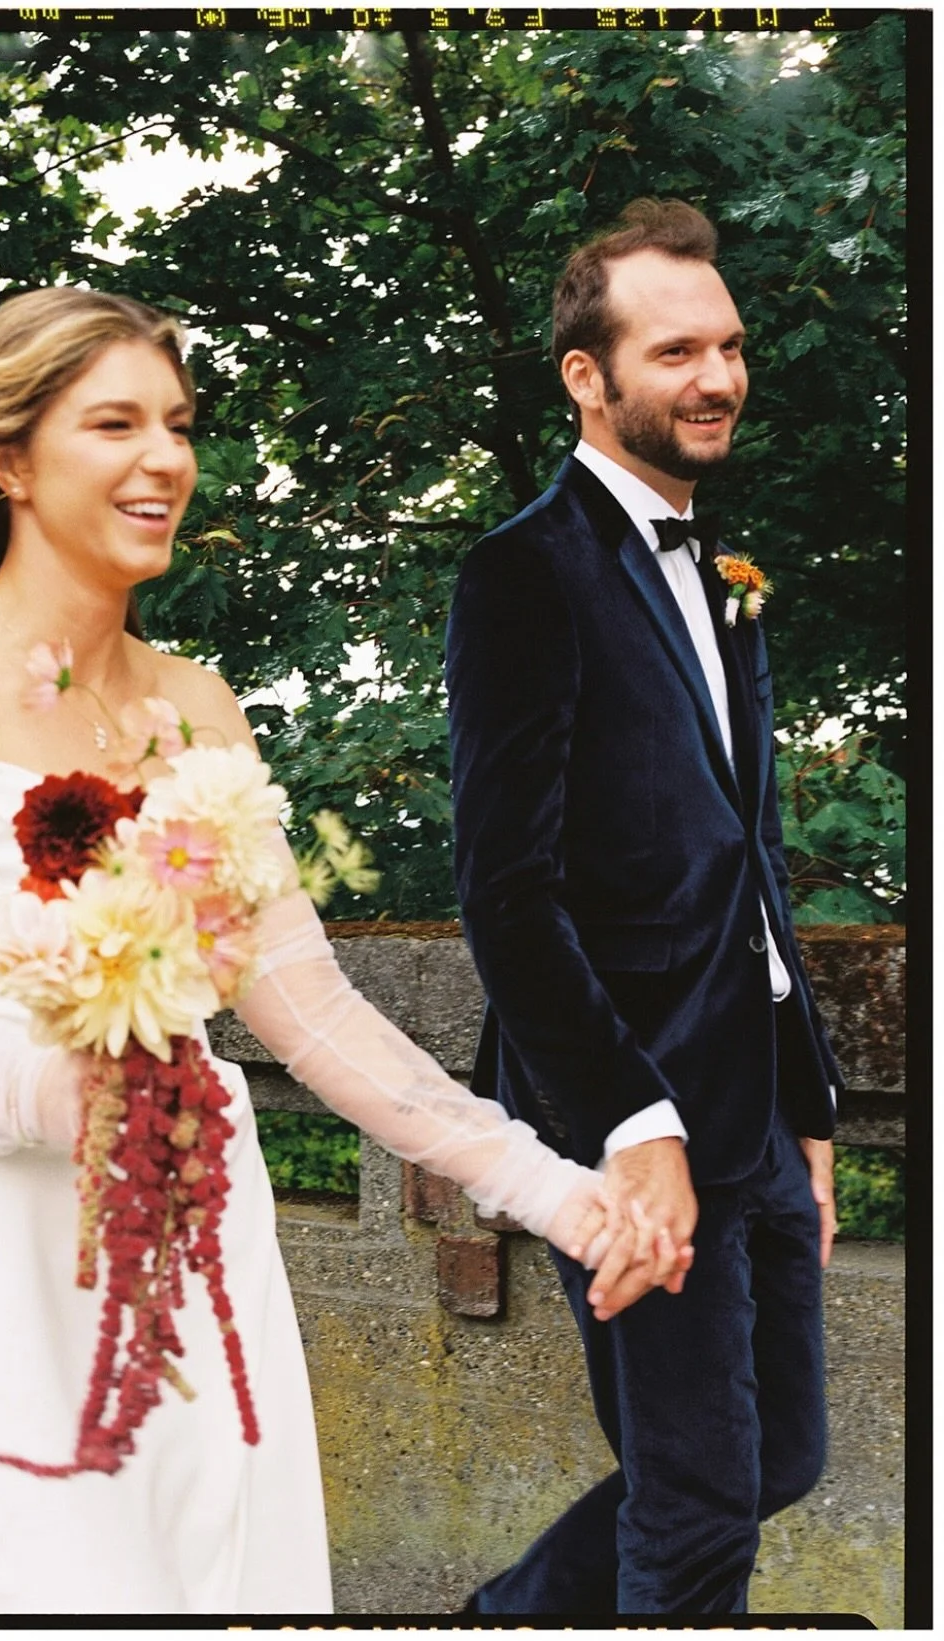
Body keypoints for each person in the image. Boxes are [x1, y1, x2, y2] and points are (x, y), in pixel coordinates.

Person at [0, 286, 679, 1623]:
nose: (165, 458)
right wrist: (41, 1098)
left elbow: (313, 1017)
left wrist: (560, 1195)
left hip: (189, 1274)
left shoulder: (195, 707)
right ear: (9, 461)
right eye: (113, 423)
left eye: (177, 425)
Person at [445, 199, 842, 1616]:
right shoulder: (519, 575)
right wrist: (631, 1125)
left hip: (753, 1112)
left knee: (775, 1459)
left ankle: (506, 1618)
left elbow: (748, 859)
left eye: (727, 346)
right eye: (675, 350)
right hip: (625, 1114)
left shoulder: (722, 579)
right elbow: (505, 889)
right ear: (585, 376)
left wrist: (805, 1107)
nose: (718, 377)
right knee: (690, 1506)